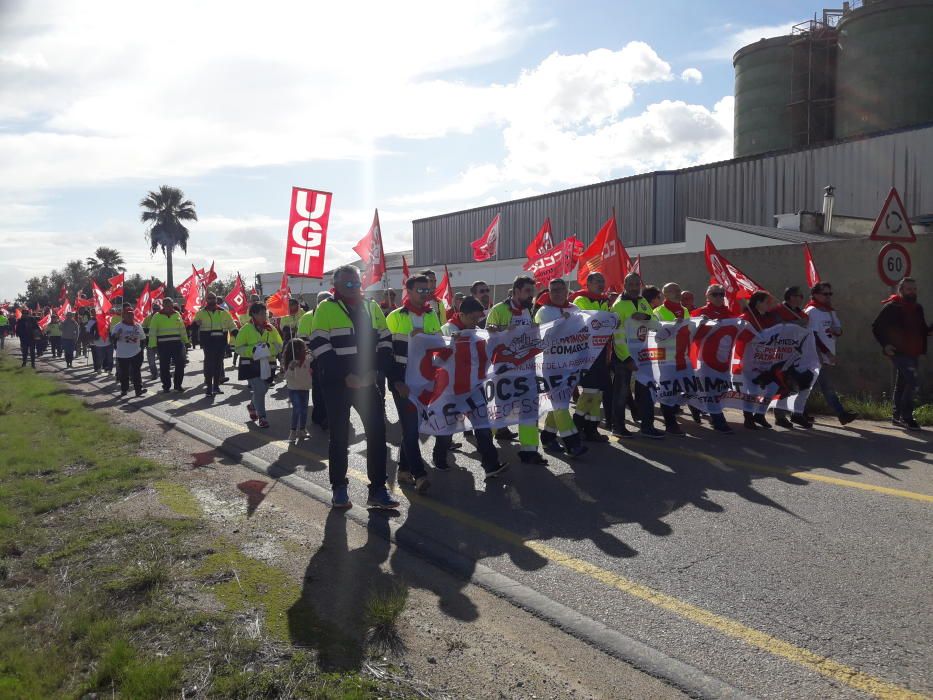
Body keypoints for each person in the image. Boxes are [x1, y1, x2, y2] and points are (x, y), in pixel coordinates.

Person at [309, 265, 400, 510]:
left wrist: (374, 371)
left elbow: (385, 339)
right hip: (338, 385)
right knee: (339, 437)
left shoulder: (371, 307)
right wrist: (345, 376)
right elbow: (319, 344)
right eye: (347, 284)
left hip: (368, 382)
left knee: (378, 434)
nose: (353, 287)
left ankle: (378, 490)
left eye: (356, 282)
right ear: (336, 286)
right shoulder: (325, 308)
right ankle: (339, 488)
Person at [385, 275, 439, 489]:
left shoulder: (431, 315)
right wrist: (396, 381)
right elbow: (385, 353)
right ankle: (420, 474)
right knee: (411, 429)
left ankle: (405, 470)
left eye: (427, 290)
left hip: (425, 381)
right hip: (403, 382)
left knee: (414, 427)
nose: (425, 294)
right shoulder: (395, 316)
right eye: (420, 290)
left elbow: (439, 344)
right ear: (408, 291)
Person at [486, 275, 547, 464]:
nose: (531, 295)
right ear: (516, 291)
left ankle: (529, 451)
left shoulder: (531, 310)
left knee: (529, 410)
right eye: (528, 291)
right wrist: (502, 329)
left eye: (532, 291)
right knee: (500, 411)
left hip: (527, 371)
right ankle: (485, 443)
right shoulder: (499, 309)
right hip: (505, 372)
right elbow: (489, 333)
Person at [534, 279, 588, 457]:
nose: (557, 293)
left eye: (560, 289)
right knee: (560, 404)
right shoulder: (544, 312)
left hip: (571, 365)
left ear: (567, 291)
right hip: (551, 366)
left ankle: (548, 436)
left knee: (561, 401)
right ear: (548, 292)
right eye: (553, 290)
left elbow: (583, 333)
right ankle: (573, 444)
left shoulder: (575, 309)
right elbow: (545, 338)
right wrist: (560, 323)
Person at [795, 282, 859, 427]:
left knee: (809, 386)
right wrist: (826, 353)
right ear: (816, 295)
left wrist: (836, 331)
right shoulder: (812, 311)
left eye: (830, 294)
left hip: (825, 355)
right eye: (825, 294)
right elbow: (813, 336)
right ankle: (841, 414)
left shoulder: (830, 310)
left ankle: (799, 412)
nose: (829, 296)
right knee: (825, 386)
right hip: (814, 355)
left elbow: (839, 330)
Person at [872, 277, 931, 431]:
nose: (912, 292)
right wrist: (885, 345)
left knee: (903, 384)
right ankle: (907, 417)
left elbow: (923, 330)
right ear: (901, 290)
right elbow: (877, 326)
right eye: (909, 289)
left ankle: (896, 416)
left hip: (913, 352)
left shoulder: (917, 308)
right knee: (913, 382)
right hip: (899, 352)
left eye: (914, 289)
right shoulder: (893, 307)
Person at [610, 272, 657, 438]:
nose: (634, 288)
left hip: (644, 356)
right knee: (621, 394)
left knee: (645, 391)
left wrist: (645, 316)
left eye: (637, 284)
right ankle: (618, 427)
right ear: (625, 285)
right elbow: (617, 336)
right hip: (624, 359)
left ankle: (647, 426)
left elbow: (655, 322)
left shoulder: (643, 301)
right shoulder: (618, 306)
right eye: (631, 284)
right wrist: (626, 358)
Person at [688, 285, 736, 434]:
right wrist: (701, 323)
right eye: (715, 294)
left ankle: (695, 405)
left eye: (721, 294)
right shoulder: (699, 313)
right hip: (704, 359)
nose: (719, 297)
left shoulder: (730, 314)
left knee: (720, 389)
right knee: (711, 390)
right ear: (707, 296)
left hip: (723, 360)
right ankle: (718, 420)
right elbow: (691, 335)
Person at [571, 272, 612, 442]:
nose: (601, 284)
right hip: (586, 353)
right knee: (588, 392)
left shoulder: (605, 301)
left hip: (601, 352)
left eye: (603, 280)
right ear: (588, 283)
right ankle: (576, 427)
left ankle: (591, 429)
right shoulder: (580, 300)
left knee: (598, 394)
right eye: (597, 281)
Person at [235, 302, 283, 429]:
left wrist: (267, 349)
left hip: (269, 364)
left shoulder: (270, 329)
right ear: (253, 314)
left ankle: (252, 406)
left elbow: (279, 345)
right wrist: (254, 350)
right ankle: (262, 417)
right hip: (251, 365)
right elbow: (238, 348)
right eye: (261, 313)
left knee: (263, 390)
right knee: (259, 390)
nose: (264, 316)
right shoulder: (245, 329)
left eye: (265, 313)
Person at [652, 283, 689, 435]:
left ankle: (674, 410)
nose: (679, 293)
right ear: (665, 294)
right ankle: (670, 423)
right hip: (666, 359)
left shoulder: (685, 310)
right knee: (667, 391)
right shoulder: (658, 312)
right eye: (674, 291)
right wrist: (673, 326)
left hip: (683, 357)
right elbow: (655, 334)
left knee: (689, 388)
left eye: (679, 290)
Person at [741, 291, 780, 430]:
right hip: (751, 359)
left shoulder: (771, 318)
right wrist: (756, 337)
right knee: (752, 390)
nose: (770, 305)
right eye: (766, 302)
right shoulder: (746, 317)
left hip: (767, 360)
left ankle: (760, 414)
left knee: (773, 387)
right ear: (757, 303)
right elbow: (741, 336)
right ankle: (748, 417)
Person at [194, 293, 236, 396]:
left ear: (216, 300)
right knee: (209, 365)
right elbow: (193, 327)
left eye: (214, 298)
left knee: (218, 365)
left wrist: (237, 333)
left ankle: (216, 387)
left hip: (221, 342)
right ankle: (209, 388)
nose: (212, 300)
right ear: (206, 300)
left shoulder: (224, 312)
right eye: (210, 298)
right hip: (208, 342)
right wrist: (196, 324)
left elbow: (232, 325)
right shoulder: (201, 313)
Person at [147, 298, 188, 393]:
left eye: (170, 305)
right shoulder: (157, 316)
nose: (168, 307)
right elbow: (152, 331)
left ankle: (178, 385)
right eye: (166, 305)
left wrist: (186, 341)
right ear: (163, 305)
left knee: (180, 364)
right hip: (163, 345)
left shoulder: (177, 314)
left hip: (177, 344)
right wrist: (153, 345)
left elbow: (182, 329)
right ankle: (166, 385)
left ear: (172, 304)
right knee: (164, 366)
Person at [111, 304, 147, 397]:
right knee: (124, 373)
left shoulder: (138, 326)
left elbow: (143, 338)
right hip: (123, 354)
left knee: (136, 372)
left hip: (136, 353)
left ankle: (138, 390)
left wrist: (141, 349)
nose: (130, 316)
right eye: (128, 314)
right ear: (123, 315)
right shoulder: (118, 326)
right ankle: (124, 389)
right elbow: (112, 339)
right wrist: (116, 336)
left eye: (132, 314)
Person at [283, 337, 312, 442]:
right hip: (294, 389)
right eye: (302, 347)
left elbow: (313, 357)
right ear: (295, 350)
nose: (305, 349)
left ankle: (302, 429)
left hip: (305, 388)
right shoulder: (291, 362)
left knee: (304, 410)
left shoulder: (307, 358)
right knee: (297, 409)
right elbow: (286, 377)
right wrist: (290, 368)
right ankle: (292, 432)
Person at [142, 302, 161, 380]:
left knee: (163, 360)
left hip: (160, 343)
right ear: (152, 310)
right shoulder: (148, 318)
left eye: (157, 309)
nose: (156, 310)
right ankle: (154, 373)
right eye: (154, 309)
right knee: (151, 361)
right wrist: (150, 330)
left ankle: (164, 373)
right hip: (150, 343)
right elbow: (143, 328)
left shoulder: (162, 317)